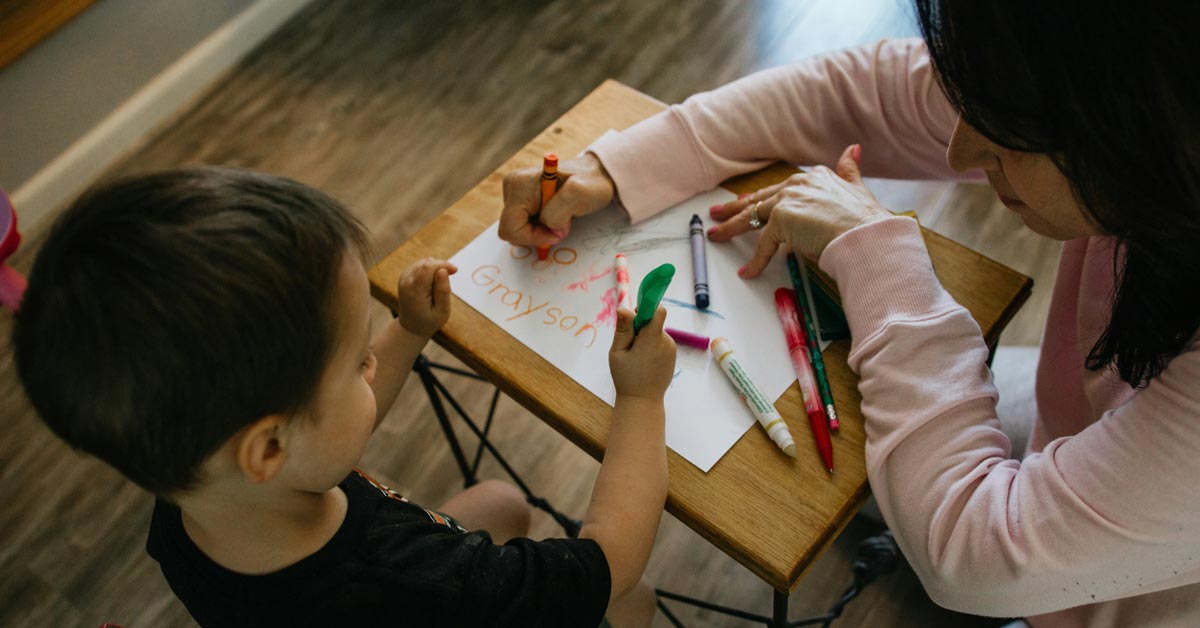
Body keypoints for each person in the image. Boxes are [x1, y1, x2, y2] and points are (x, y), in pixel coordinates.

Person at [497, 1, 1200, 626]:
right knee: (872, 476)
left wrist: (878, 255)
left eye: (1003, 130)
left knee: (902, 495)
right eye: (969, 103)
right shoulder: (1141, 103)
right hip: (1084, 423)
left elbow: (974, 553)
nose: (958, 150)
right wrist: (614, 167)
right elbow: (858, 92)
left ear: (1139, 122)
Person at [12, 167, 676, 627]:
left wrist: (409, 331)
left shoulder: (193, 494)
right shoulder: (426, 583)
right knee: (636, 597)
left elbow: (322, 435)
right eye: (360, 362)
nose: (371, 364)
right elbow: (610, 560)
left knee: (501, 501)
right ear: (268, 446)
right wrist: (642, 398)